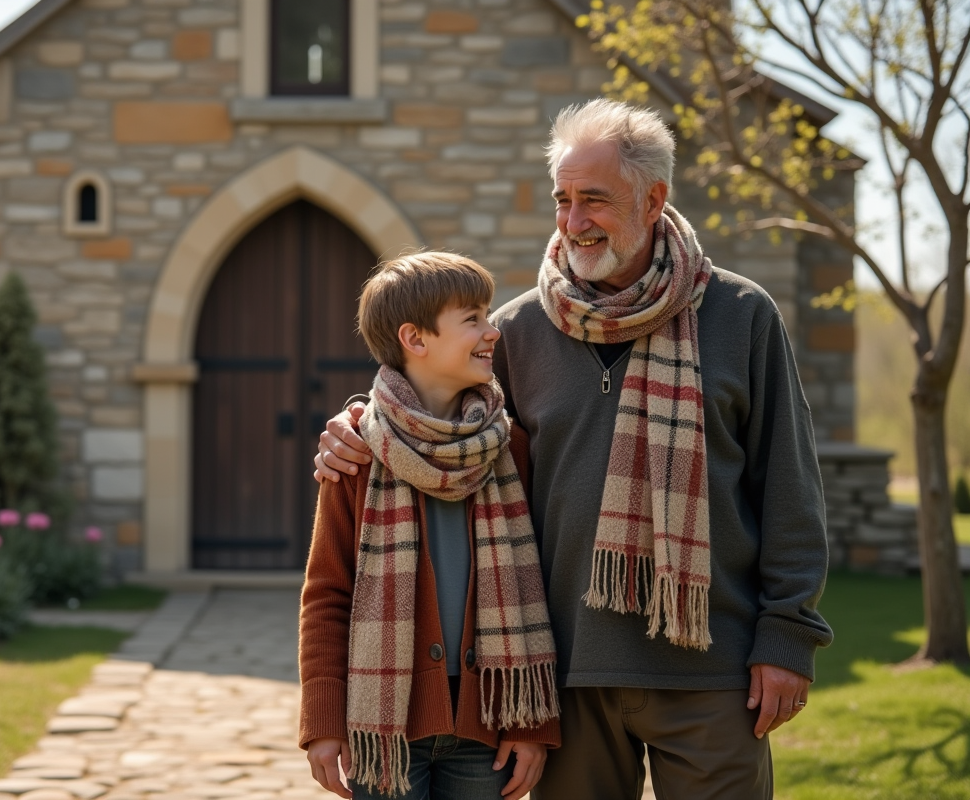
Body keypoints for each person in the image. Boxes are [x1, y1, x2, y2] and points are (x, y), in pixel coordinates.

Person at [313, 100, 834, 799]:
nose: (573, 220)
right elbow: (434, 419)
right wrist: (355, 423)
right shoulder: (516, 331)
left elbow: (790, 490)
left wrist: (787, 638)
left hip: (715, 671)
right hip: (563, 677)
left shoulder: (741, 317)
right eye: (563, 199)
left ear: (653, 200)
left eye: (594, 199)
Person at [298, 252, 561, 800]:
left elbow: (536, 585)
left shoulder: (511, 447)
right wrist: (322, 721)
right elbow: (327, 593)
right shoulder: (357, 454)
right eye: (473, 319)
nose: (492, 332)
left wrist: (532, 723)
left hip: (488, 717)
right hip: (383, 724)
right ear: (415, 340)